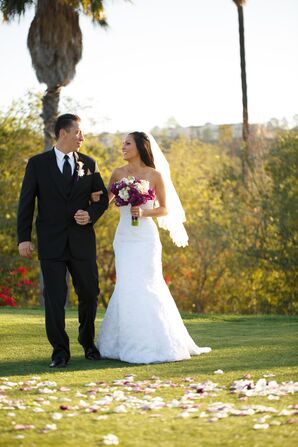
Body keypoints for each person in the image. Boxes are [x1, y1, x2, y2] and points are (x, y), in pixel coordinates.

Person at [94, 131, 211, 363]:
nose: (123, 147)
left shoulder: (154, 175)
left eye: (127, 143)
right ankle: (123, 342)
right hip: (125, 237)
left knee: (148, 283)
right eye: (122, 144)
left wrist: (144, 211)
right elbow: (103, 202)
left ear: (139, 146)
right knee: (126, 284)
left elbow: (165, 209)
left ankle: (157, 341)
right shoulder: (117, 173)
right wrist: (90, 194)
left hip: (146, 237)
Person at [17, 114, 109, 368]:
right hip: (51, 244)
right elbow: (26, 203)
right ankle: (60, 351)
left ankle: (87, 342)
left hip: (82, 243)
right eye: (78, 132)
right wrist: (23, 238)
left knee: (90, 294)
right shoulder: (37, 164)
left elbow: (102, 200)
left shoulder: (89, 163)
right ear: (63, 133)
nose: (83, 137)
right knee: (55, 298)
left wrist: (89, 214)